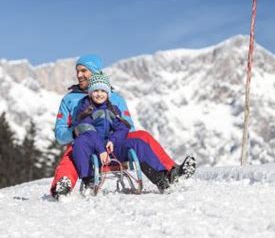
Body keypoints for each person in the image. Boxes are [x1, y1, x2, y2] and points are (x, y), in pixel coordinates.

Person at [52, 54, 196, 198]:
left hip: (113, 145)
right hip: (87, 145)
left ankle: (170, 173)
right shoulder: (69, 99)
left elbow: (128, 127)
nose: (79, 75)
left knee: (142, 136)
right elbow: (60, 134)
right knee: (75, 147)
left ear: (95, 71)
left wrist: (113, 139)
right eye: (77, 71)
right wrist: (77, 132)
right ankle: (63, 184)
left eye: (84, 71)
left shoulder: (114, 99)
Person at [72, 72, 171, 193]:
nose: (100, 94)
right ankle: (89, 180)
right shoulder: (84, 109)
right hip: (93, 150)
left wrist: (112, 140)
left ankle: (160, 178)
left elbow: (122, 127)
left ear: (108, 94)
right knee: (80, 142)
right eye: (96, 90)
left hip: (111, 148)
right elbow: (87, 129)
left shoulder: (113, 109)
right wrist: (100, 149)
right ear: (90, 92)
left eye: (103, 91)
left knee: (137, 143)